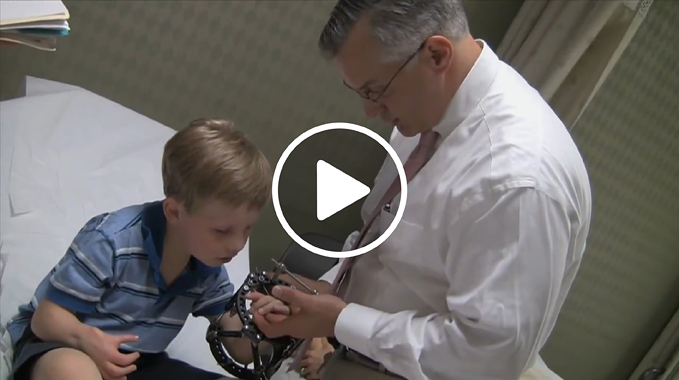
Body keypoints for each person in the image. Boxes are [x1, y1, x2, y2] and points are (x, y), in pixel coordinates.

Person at [253, 1, 592, 379]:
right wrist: (328, 290)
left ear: (436, 54)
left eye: (376, 90)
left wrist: (343, 320)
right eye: (360, 92)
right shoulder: (427, 115)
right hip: (359, 347)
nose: (369, 111)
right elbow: (383, 243)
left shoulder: (516, 179)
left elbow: (484, 358)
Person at [5, 118, 291, 380]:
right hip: (63, 344)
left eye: (247, 229)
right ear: (175, 213)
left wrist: (265, 327)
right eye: (222, 231)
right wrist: (85, 339)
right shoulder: (110, 241)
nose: (238, 244)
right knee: (73, 372)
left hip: (139, 362)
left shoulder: (208, 267)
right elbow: (46, 320)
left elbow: (237, 345)